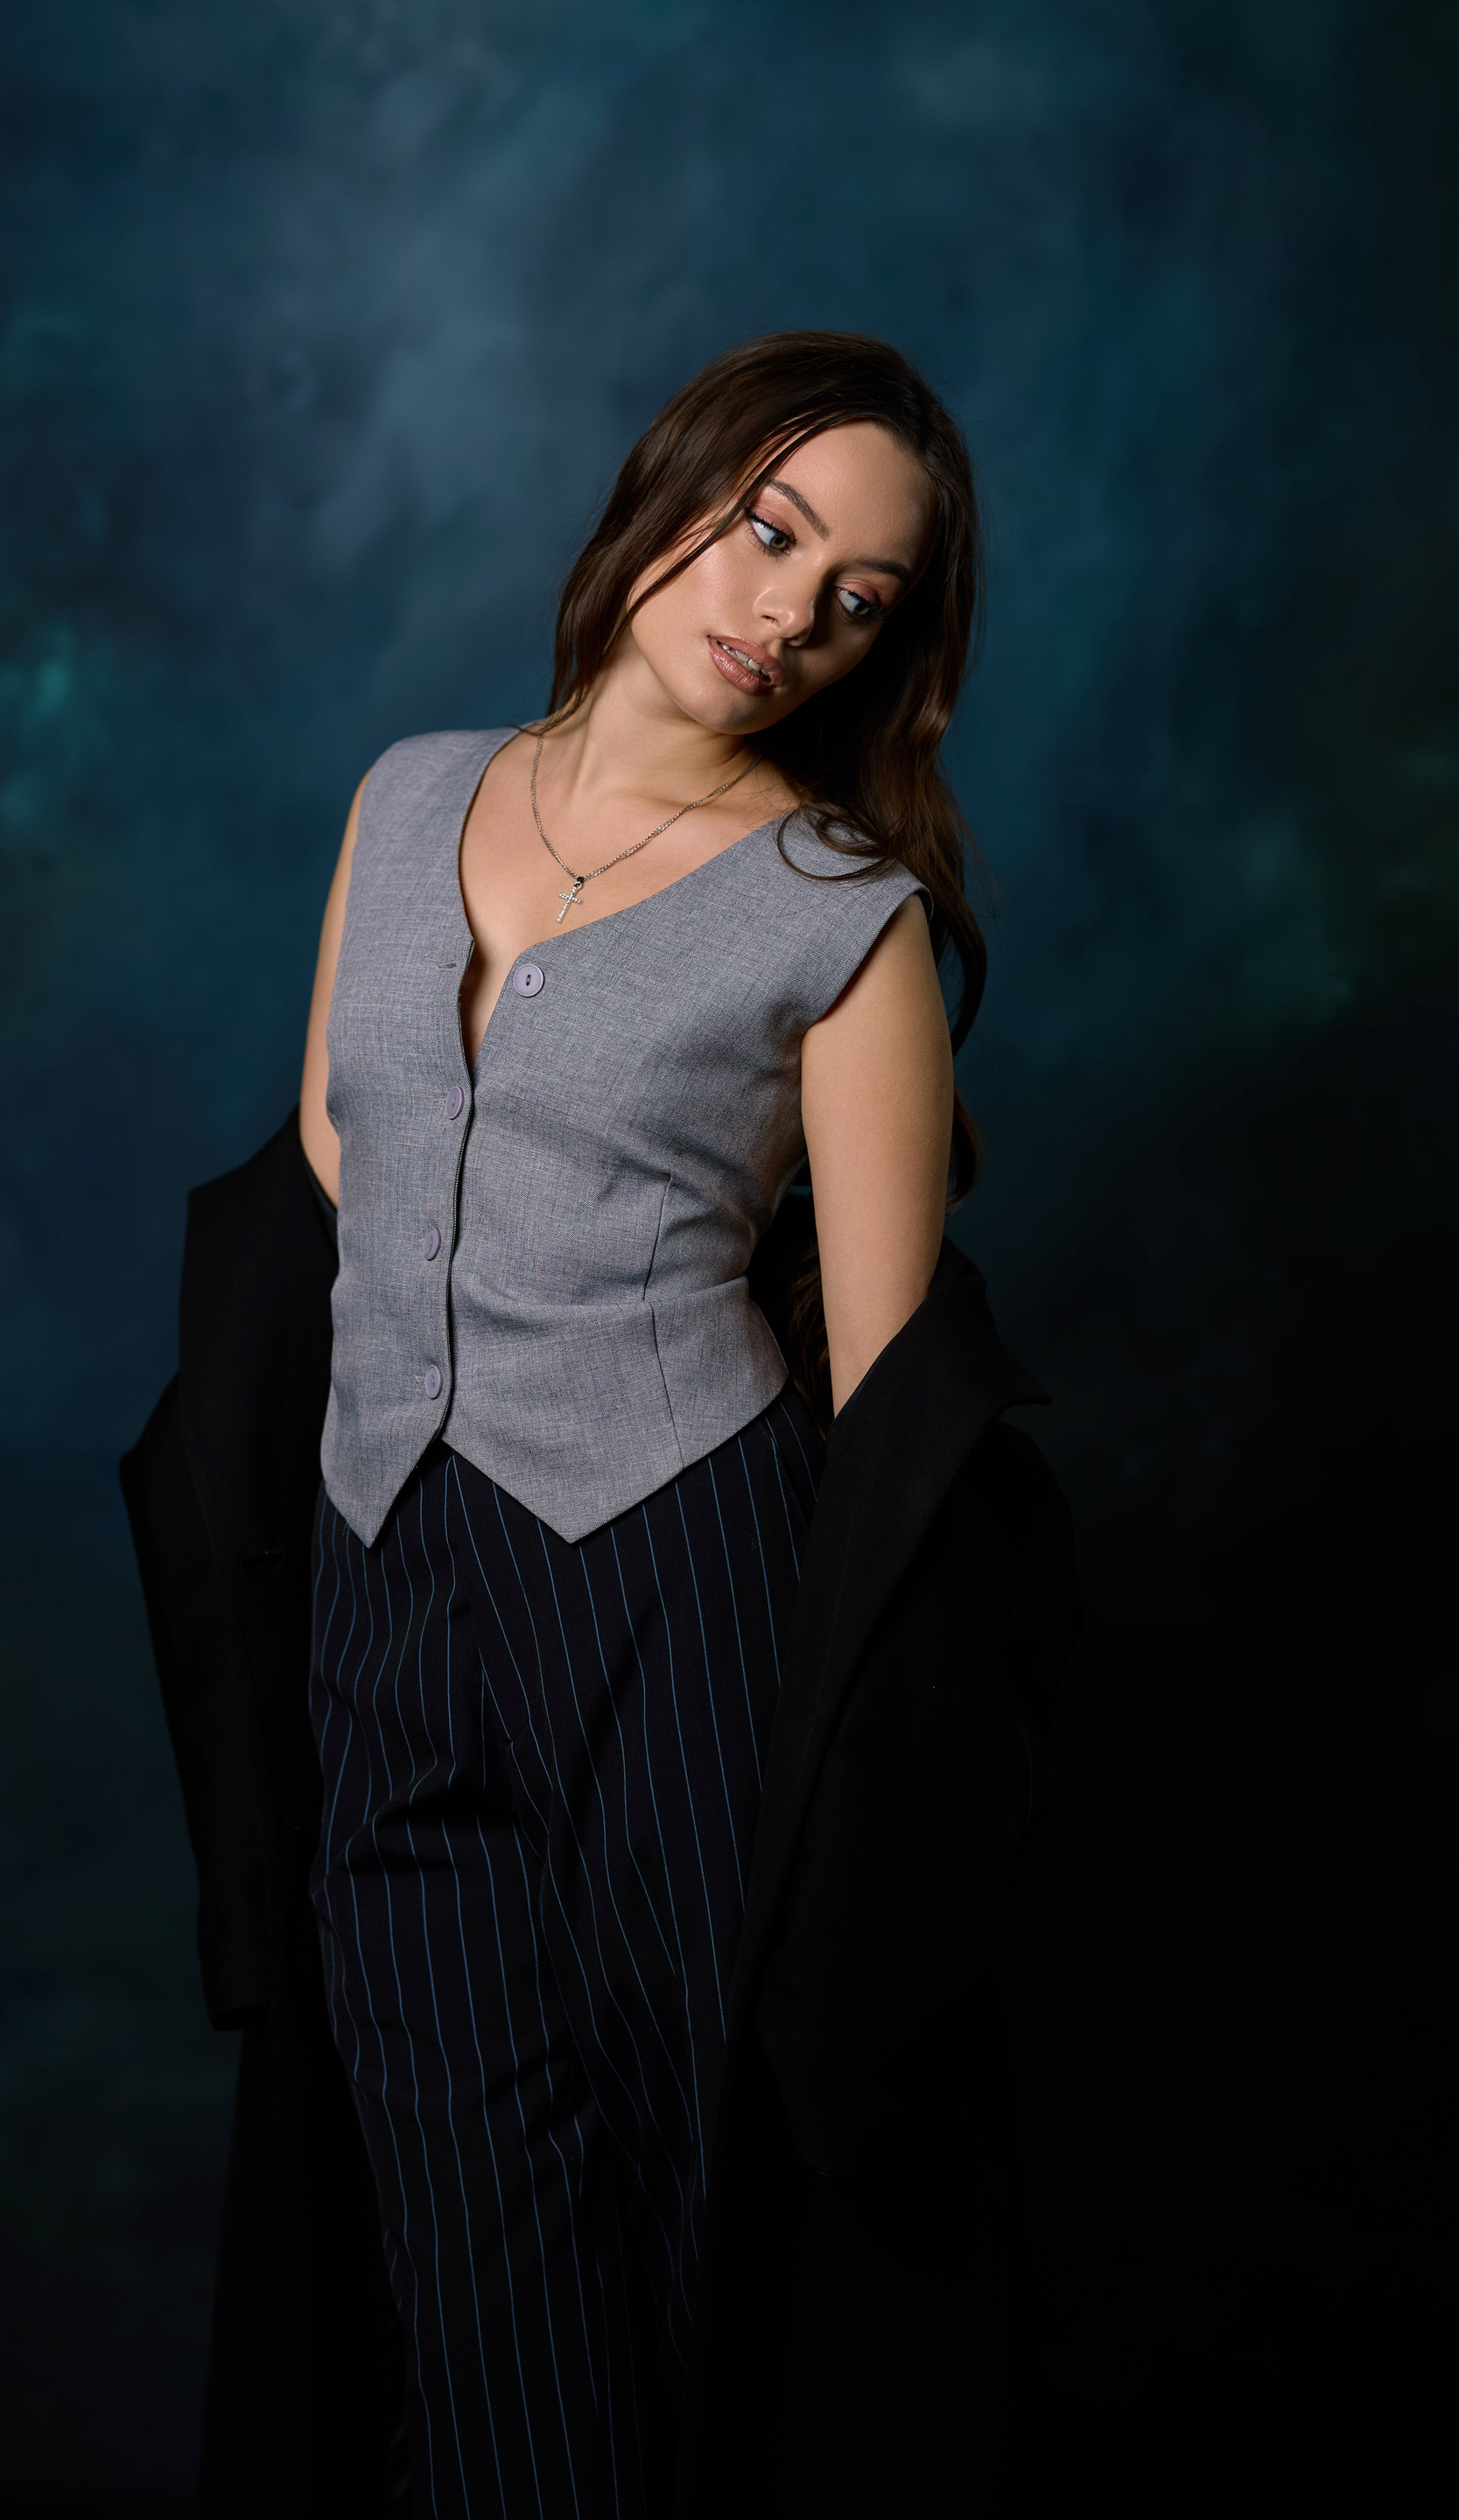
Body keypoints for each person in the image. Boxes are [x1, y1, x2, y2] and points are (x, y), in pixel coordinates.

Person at [295, 331, 987, 2520]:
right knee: (457, 2194)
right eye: (770, 530)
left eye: (857, 598)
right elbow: (338, 1141)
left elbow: (893, 1373)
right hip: (375, 1560)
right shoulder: (410, 793)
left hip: (675, 1585)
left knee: (680, 2191)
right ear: (672, 488)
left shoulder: (844, 917)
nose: (788, 613)